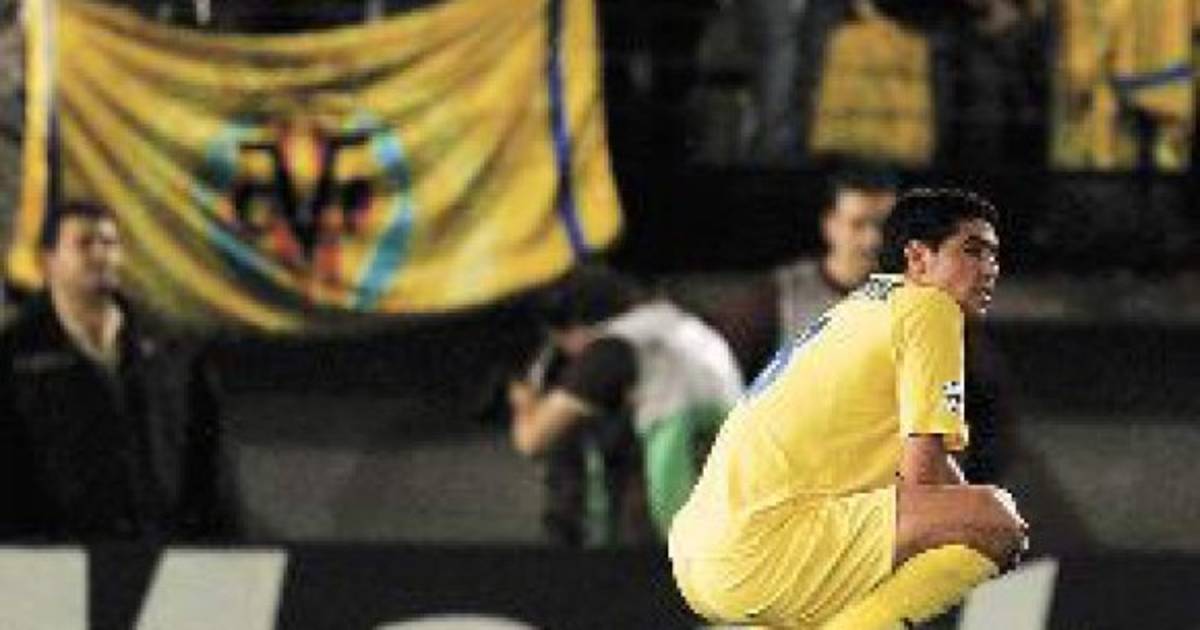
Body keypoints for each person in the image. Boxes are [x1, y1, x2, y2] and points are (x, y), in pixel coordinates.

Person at [668, 189, 1027, 628]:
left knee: (963, 522)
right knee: (996, 520)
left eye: (993, 256)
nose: (989, 269)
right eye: (972, 252)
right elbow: (924, 483)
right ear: (918, 258)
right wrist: (981, 528)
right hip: (761, 550)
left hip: (701, 552)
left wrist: (958, 515)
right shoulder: (929, 308)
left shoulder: (863, 306)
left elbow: (936, 481)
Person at [0, 201, 236, 541]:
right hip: (54, 556)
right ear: (48, 260)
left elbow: (209, 462)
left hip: (161, 551)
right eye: (84, 244)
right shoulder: (15, 356)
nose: (101, 255)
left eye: (110, 243)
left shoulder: (172, 350)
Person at [511, 266, 743, 546]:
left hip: (677, 460)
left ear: (575, 328)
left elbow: (532, 439)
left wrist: (522, 399)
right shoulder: (686, 325)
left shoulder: (613, 348)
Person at [775, 169, 897, 340]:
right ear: (830, 225)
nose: (873, 239)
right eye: (857, 224)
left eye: (884, 224)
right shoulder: (781, 294)